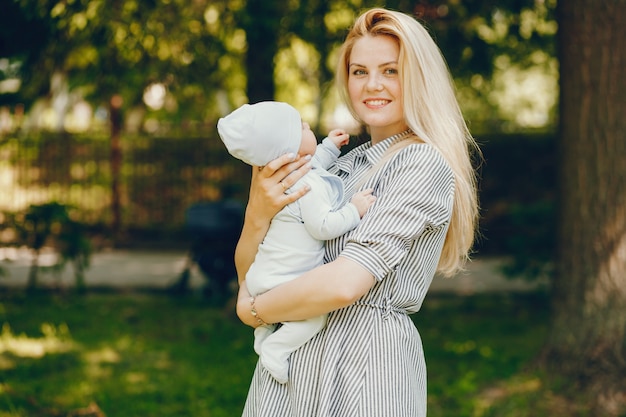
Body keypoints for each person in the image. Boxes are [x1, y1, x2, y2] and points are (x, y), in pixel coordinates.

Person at [234, 8, 480, 417]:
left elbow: (345, 284)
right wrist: (256, 213)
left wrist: (253, 310)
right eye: (359, 71)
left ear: (419, 78)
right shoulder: (339, 164)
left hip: (361, 366)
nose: (373, 85)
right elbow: (252, 271)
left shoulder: (420, 163)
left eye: (391, 71)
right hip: (291, 371)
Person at [217, 101, 376, 384]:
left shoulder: (292, 175)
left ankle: (264, 331)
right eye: (301, 126)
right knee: (314, 319)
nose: (307, 127)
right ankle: (276, 348)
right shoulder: (308, 188)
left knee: (286, 315)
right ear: (290, 149)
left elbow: (314, 163)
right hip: (282, 279)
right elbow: (323, 226)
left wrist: (329, 146)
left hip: (264, 274)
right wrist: (355, 209)